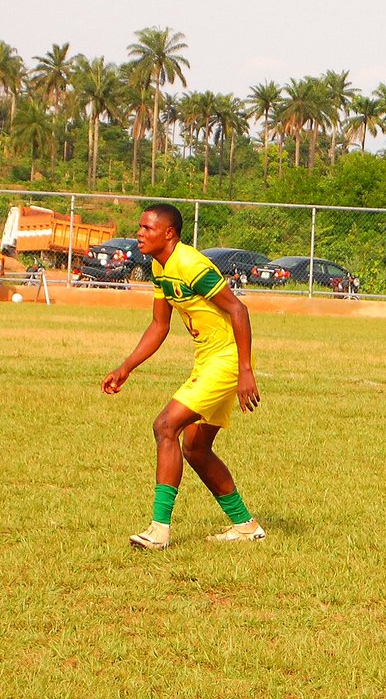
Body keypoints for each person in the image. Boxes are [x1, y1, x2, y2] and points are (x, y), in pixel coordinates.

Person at [102, 203, 264, 550]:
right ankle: (245, 526)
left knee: (165, 426)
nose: (139, 234)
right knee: (196, 448)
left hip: (225, 360)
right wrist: (126, 367)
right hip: (207, 360)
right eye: (140, 227)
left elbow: (238, 308)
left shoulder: (189, 264)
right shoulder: (160, 268)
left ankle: (159, 531)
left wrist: (245, 371)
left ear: (169, 233)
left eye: (147, 228)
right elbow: (160, 325)